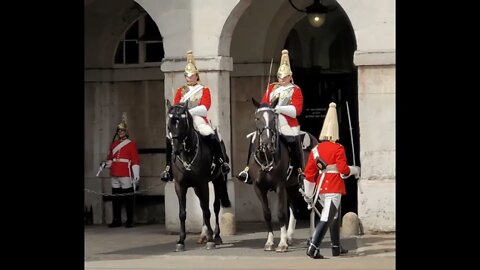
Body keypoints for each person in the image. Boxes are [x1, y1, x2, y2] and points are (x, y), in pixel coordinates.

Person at [160, 50, 230, 182]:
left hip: (198, 118)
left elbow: (205, 108)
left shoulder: (204, 89)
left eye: (191, 75)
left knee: (210, 132)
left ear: (197, 76)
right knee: (170, 137)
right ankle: (168, 168)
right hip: (183, 120)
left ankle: (221, 161)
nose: (189, 78)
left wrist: (190, 112)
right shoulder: (181, 90)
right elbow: (176, 107)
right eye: (187, 75)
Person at [237, 49, 305, 184]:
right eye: (280, 76)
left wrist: (279, 108)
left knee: (293, 138)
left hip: (287, 121)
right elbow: (264, 103)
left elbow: (297, 110)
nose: (281, 79)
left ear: (290, 77)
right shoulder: (272, 88)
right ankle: (247, 169)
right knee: (254, 138)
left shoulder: (295, 90)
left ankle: (299, 170)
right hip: (270, 119)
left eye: (285, 77)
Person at [302, 102, 360, 259]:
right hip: (334, 185)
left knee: (334, 216)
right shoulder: (338, 148)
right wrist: (355, 169)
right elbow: (344, 170)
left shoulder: (315, 150)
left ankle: (336, 247)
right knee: (327, 217)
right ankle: (313, 248)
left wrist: (309, 195)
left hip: (321, 186)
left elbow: (309, 173)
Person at [104, 113, 140, 228]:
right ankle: (116, 219)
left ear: (126, 132)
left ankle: (129, 220)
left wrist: (136, 174)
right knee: (116, 198)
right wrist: (105, 164)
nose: (120, 132)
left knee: (128, 198)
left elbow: (135, 160)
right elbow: (110, 159)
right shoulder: (114, 144)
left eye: (122, 131)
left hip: (125, 172)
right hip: (114, 172)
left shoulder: (131, 144)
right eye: (119, 131)